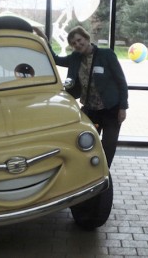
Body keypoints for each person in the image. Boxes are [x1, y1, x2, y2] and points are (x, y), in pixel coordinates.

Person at [33, 26, 128, 168]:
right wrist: (45, 40)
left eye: (79, 40)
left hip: (111, 110)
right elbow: (55, 59)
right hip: (90, 110)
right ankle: (90, 172)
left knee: (108, 146)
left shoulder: (106, 55)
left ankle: (104, 173)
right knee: (86, 144)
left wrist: (123, 107)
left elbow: (121, 81)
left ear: (87, 38)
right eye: (73, 43)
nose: (77, 44)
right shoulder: (75, 58)